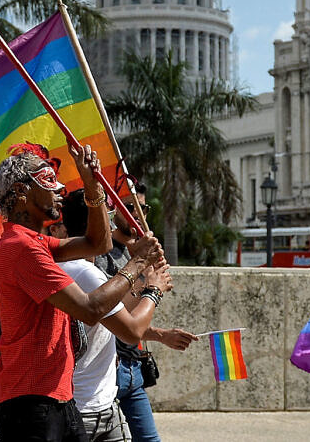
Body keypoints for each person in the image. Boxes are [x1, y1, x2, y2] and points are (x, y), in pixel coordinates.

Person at [0, 143, 161, 442]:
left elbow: (98, 243)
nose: (59, 190)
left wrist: (92, 184)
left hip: (56, 397)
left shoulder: (33, 242)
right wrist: (138, 264)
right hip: (32, 404)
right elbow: (90, 309)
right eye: (47, 181)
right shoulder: (22, 247)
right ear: (20, 192)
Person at [58, 190, 184, 442]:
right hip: (85, 407)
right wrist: (153, 290)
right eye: (109, 219)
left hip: (101, 402)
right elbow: (131, 331)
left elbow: (118, 310)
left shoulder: (72, 268)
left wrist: (144, 274)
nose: (114, 227)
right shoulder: (85, 273)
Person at [96, 184, 195, 442]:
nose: (137, 214)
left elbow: (134, 318)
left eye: (143, 208)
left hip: (133, 368)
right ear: (114, 208)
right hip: (108, 370)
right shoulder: (103, 255)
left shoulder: (139, 253)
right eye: (129, 207)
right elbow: (111, 315)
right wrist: (151, 286)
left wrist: (161, 335)